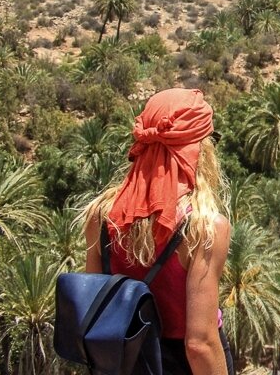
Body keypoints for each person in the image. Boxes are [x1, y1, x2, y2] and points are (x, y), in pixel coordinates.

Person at [82, 88, 232, 375]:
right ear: (198, 151)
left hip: (125, 362)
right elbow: (200, 344)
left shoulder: (101, 216)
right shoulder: (204, 227)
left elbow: (95, 308)